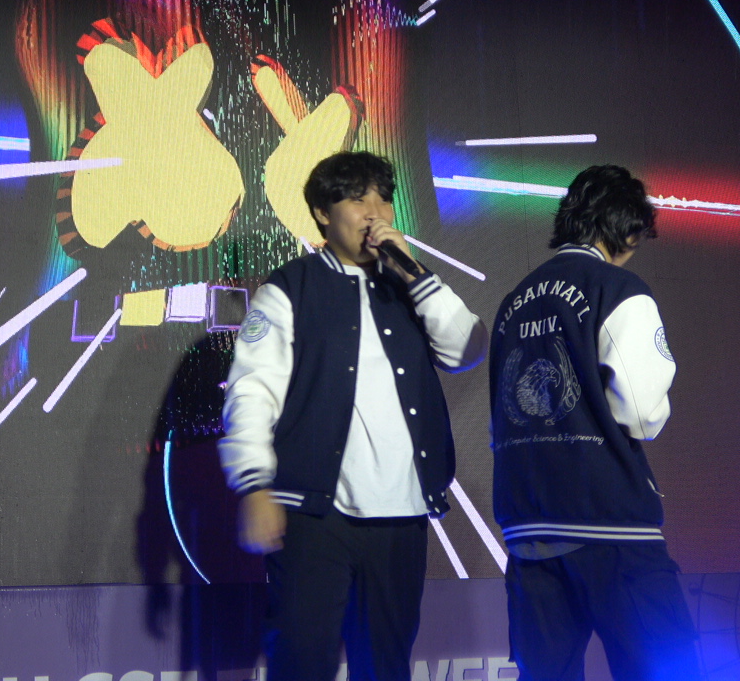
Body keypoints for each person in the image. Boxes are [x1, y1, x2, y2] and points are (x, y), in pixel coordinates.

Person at [219, 151, 488, 681]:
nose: (374, 212)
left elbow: (468, 349)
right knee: (301, 658)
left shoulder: (409, 285)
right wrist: (254, 484)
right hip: (315, 514)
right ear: (323, 213)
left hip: (402, 516)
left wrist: (413, 271)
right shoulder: (290, 288)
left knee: (386, 665)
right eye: (357, 198)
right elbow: (251, 391)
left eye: (383, 199)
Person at [488, 165, 700, 681]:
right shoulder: (618, 288)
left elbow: (500, 415)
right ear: (627, 228)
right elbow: (642, 413)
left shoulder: (513, 301)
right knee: (667, 670)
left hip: (528, 529)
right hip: (608, 525)